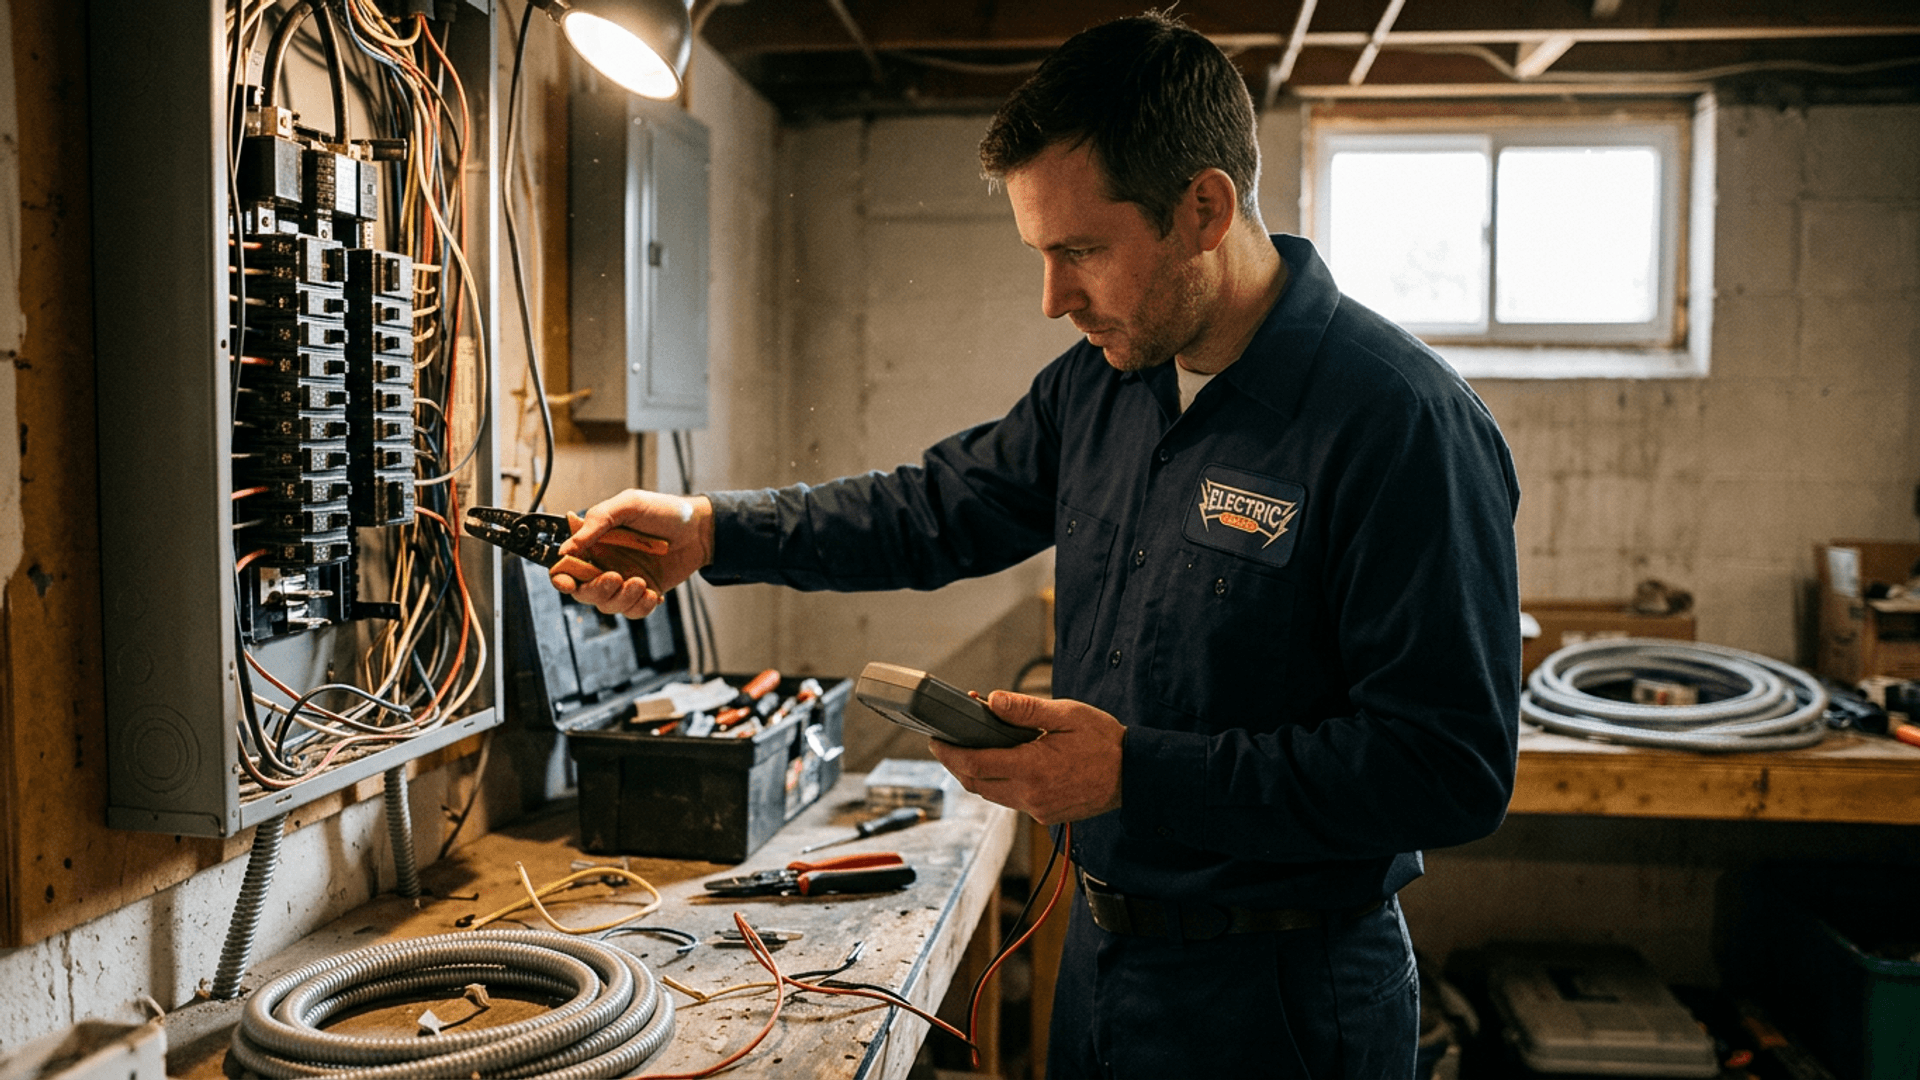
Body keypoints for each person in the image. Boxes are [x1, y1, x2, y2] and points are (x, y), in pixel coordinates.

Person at [552, 12, 1520, 1078]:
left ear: (1205, 207)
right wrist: (712, 531)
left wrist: (1134, 776)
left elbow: (1449, 769)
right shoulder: (1104, 386)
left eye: (1080, 252)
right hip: (1101, 964)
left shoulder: (1400, 422)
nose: (1053, 298)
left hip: (1282, 1003)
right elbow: (931, 509)